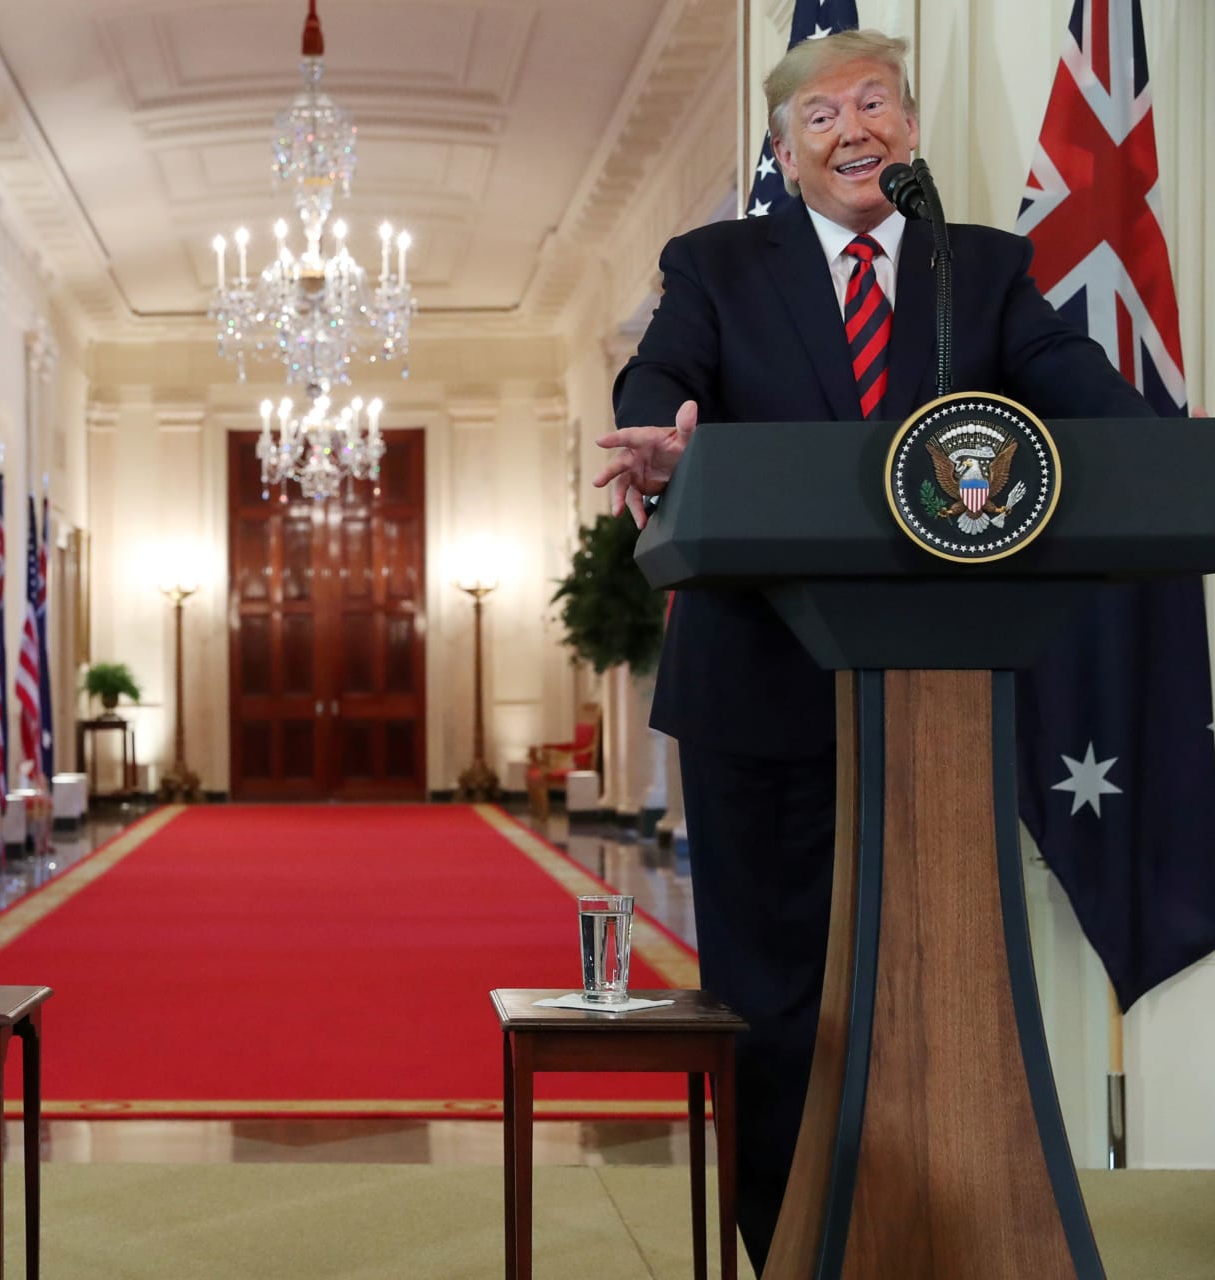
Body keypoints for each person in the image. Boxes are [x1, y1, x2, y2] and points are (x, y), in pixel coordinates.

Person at [593, 29, 1149, 1270]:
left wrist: (1163, 441)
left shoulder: (984, 269)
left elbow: (1077, 387)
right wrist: (658, 435)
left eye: (876, 102)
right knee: (775, 996)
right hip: (757, 692)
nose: (855, 128)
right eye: (823, 114)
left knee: (940, 984)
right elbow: (661, 371)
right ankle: (787, 1243)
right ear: (786, 153)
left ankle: (939, 1234)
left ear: (910, 126)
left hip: (943, 700)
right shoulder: (718, 262)